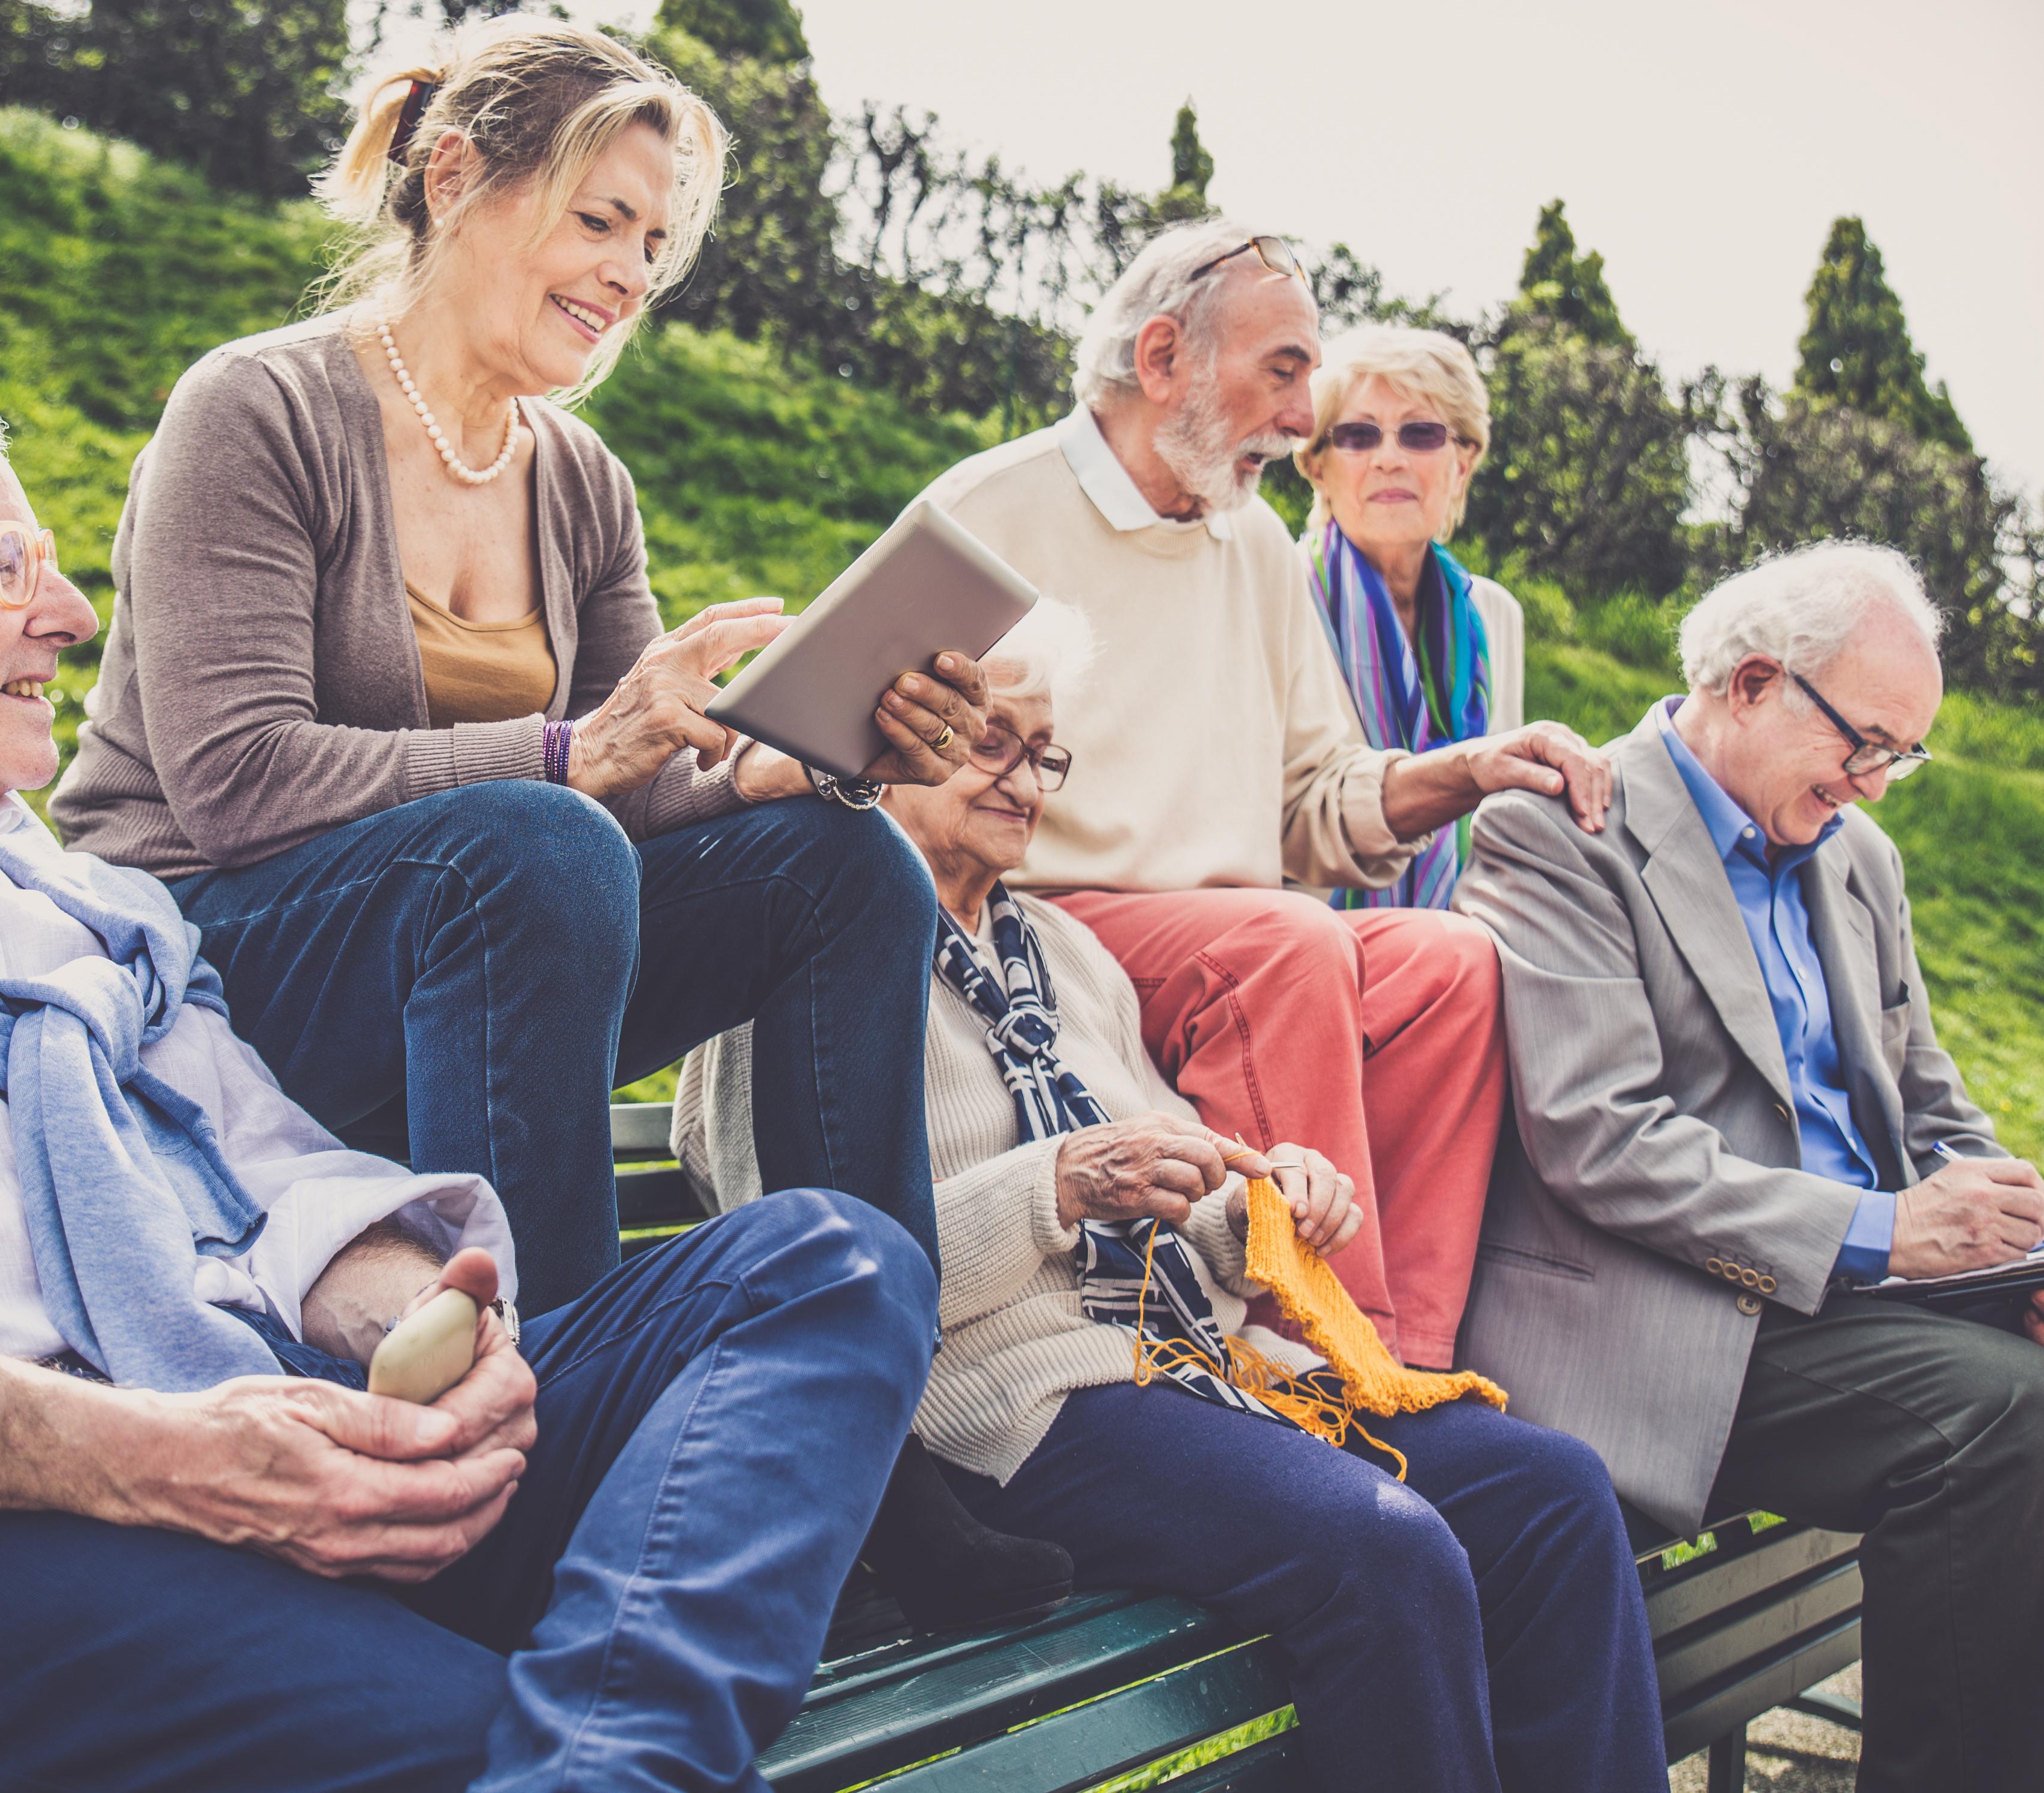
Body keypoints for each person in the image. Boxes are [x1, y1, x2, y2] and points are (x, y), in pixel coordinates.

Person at [0, 348, 938, 1792]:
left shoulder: (75, 905)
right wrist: (178, 1464)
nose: (66, 615)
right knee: (474, 1745)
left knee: (819, 1264)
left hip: (268, 1467)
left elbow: (280, 1171)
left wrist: (422, 1334)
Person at [52, 19, 1067, 1627]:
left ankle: (871, 1462)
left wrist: (784, 764)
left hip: (486, 943)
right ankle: (571, 1470)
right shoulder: (256, 410)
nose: (628, 277)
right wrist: (560, 758)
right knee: (538, 842)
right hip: (211, 977)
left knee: (840, 867)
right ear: (455, 175)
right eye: (603, 220)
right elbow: (237, 779)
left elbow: (633, 781)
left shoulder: (577, 479)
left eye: (654, 248)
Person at [671, 605, 1664, 1792]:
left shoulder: (1062, 950)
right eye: (993, 739)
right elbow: (796, 1273)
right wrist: (1052, 1185)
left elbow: (1176, 1189)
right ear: (899, 733)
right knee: (1382, 1551)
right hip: (1007, 1405)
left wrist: (1258, 1210)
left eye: (1046, 752)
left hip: (1191, 1364)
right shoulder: (793, 949)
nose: (1026, 777)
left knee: (1551, 1493)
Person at [1456, 540, 2044, 1793]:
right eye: (1865, 740)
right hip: (1674, 1318)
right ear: (1750, 681)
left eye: (1899, 752)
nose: (1876, 784)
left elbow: (1929, 1100)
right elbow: (1598, 1139)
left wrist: (2024, 1243)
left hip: (1865, 1304)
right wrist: (1889, 1231)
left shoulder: (1853, 857)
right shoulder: (1564, 828)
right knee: (2000, 1416)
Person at [911, 218, 1611, 1369]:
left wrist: (1468, 768)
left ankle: (1415, 1354)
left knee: (1450, 964)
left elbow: (1314, 805)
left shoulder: (1254, 547)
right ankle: (1327, 1354)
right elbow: (872, 767)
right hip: (1040, 937)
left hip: (1232, 941)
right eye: (1284, 374)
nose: (1302, 423)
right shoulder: (988, 514)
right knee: (1285, 944)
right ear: (1160, 361)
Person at [1296, 326, 1524, 910]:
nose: (1389, 459)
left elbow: (1499, 823)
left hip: (1460, 940)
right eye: (1356, 435)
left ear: (1463, 461)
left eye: (1420, 434)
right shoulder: (1278, 595)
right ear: (1316, 465)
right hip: (1306, 939)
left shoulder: (1494, 614)